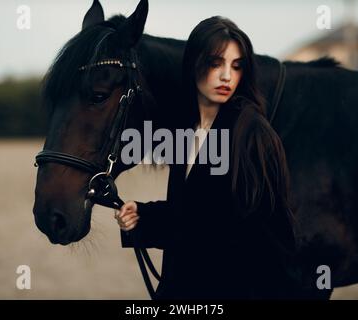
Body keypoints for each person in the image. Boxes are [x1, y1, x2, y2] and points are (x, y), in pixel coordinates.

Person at [116, 16, 302, 299]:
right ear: (193, 64)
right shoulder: (185, 128)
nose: (227, 76)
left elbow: (270, 237)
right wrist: (143, 215)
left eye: (236, 66)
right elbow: (195, 211)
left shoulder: (252, 134)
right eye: (216, 63)